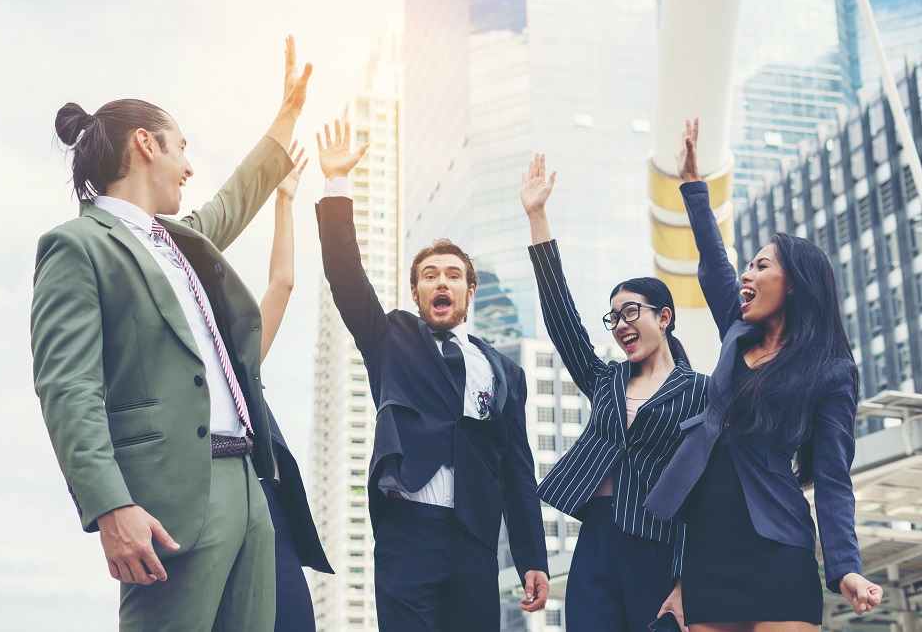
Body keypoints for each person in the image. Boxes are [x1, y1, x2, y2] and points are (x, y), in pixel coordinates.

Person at [31, 37, 311, 631]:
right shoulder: (77, 247)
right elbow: (67, 388)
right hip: (172, 497)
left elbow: (233, 201)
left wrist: (285, 120)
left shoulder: (181, 243)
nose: (189, 166)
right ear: (145, 144)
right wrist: (110, 505)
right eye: (182, 148)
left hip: (246, 483)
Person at [645, 119, 884, 630]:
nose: (747, 276)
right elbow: (713, 264)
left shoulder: (832, 371)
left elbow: (833, 477)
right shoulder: (739, 331)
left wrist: (846, 568)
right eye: (747, 268)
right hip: (708, 547)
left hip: (778, 545)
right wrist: (693, 188)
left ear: (795, 284)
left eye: (761, 266)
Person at [315, 120, 549, 631]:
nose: (440, 282)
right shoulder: (389, 338)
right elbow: (344, 273)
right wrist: (336, 184)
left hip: (475, 535)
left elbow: (517, 469)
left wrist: (533, 556)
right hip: (409, 528)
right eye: (429, 276)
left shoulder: (504, 370)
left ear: (469, 293)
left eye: (452, 275)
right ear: (417, 294)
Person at [520, 154, 709, 630]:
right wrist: (537, 217)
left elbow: (703, 493)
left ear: (664, 317)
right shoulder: (606, 380)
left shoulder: (702, 393)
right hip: (598, 537)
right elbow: (562, 318)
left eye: (631, 312)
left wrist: (687, 581)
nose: (621, 324)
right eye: (614, 317)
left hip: (659, 544)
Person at [252, 145, 335, 632]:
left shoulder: (236, 363)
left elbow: (281, 284)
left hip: (264, 503)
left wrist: (284, 201)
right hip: (200, 509)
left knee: (293, 617)